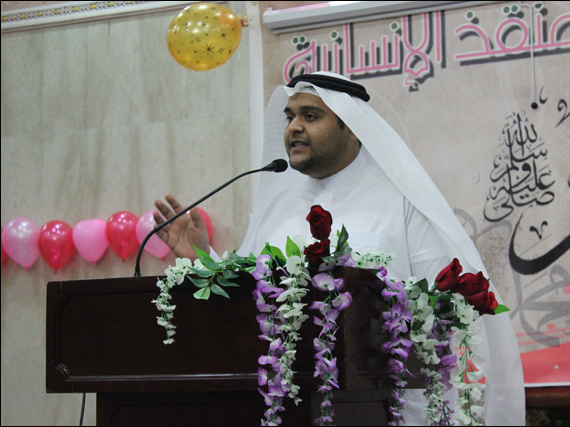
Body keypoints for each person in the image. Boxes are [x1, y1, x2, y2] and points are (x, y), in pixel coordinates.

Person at [153, 72, 525, 425]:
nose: (293, 127)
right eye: (290, 117)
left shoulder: (402, 202)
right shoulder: (276, 206)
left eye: (310, 116)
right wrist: (201, 259)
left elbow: (446, 310)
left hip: (384, 410)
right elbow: (249, 301)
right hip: (286, 410)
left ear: (352, 128)